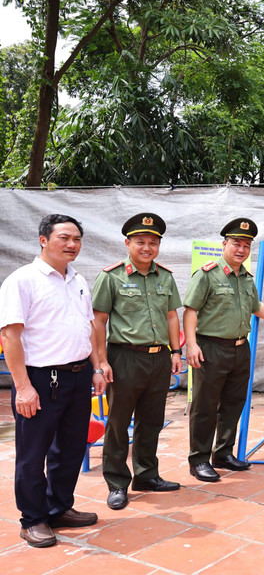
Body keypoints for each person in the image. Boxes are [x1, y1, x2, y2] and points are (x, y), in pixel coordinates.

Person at [0, 214, 106, 548]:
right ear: (43, 240)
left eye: (77, 239)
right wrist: (23, 387)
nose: (72, 244)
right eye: (64, 238)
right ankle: (32, 519)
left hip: (78, 375)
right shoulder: (22, 280)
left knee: (70, 448)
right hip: (41, 379)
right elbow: (10, 336)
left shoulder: (77, 279)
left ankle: (59, 507)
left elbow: (89, 326)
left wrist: (97, 368)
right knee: (33, 454)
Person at [183, 218, 264, 482]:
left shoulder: (246, 279)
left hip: (239, 349)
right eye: (236, 243)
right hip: (210, 349)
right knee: (205, 406)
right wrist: (191, 344)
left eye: (246, 245)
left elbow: (256, 307)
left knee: (233, 403)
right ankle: (199, 459)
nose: (241, 250)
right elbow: (190, 310)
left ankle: (223, 453)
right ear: (224, 244)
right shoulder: (207, 275)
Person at [92, 213, 183, 511]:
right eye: (140, 242)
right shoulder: (111, 277)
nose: (147, 248)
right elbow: (98, 321)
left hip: (159, 358)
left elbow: (172, 316)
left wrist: (175, 352)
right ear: (127, 243)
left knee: (152, 420)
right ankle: (117, 483)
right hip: (124, 357)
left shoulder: (165, 276)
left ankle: (146, 475)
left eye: (153, 242)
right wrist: (101, 361)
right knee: (119, 423)